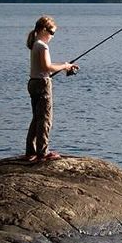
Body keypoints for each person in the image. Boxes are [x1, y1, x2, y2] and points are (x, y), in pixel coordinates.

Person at [24, 15, 78, 162]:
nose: (52, 37)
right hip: (42, 84)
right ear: (43, 29)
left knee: (36, 118)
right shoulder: (42, 45)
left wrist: (63, 67)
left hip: (33, 82)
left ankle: (31, 151)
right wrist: (66, 66)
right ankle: (43, 152)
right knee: (45, 118)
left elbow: (43, 68)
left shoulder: (35, 43)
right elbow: (47, 67)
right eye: (52, 33)